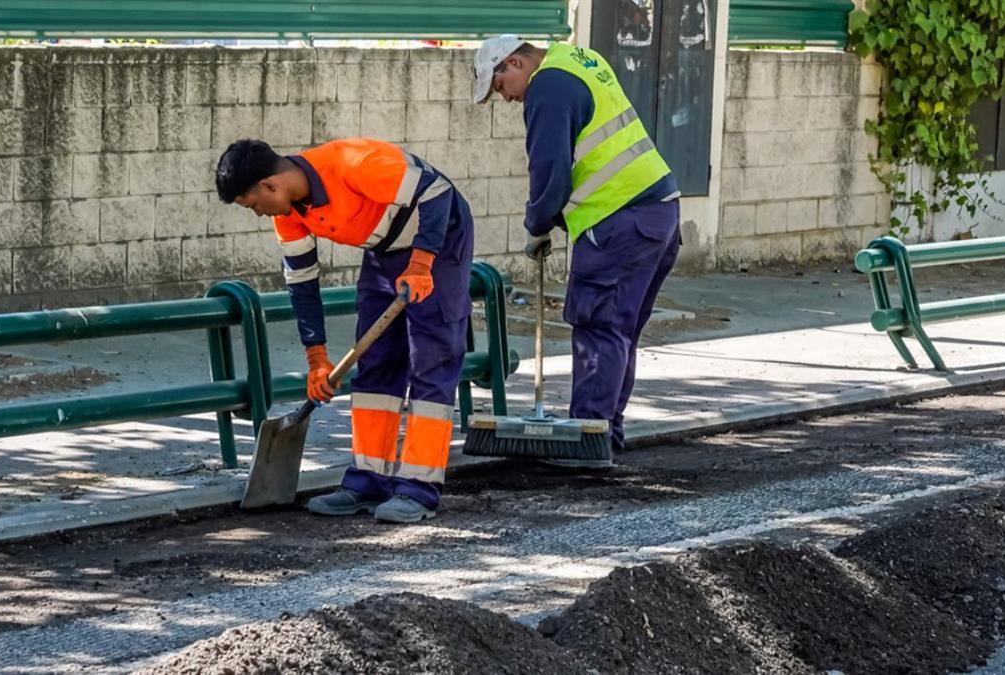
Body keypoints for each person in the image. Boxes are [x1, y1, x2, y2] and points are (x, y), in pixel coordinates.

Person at [215, 137, 474, 523]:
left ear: (270, 185)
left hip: (438, 240)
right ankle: (368, 480)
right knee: (375, 361)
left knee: (431, 359)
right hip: (384, 248)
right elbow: (302, 283)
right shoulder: (288, 213)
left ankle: (419, 487)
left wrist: (421, 263)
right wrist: (316, 357)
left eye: (253, 205)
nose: (257, 213)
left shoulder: (354, 163)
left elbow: (436, 192)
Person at [474, 35, 682, 458]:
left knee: (598, 327)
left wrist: (537, 225)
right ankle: (605, 431)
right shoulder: (580, 58)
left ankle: (588, 438)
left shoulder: (546, 89)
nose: (507, 99)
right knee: (620, 332)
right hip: (658, 212)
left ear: (514, 63)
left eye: (500, 88)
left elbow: (550, 170)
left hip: (617, 221)